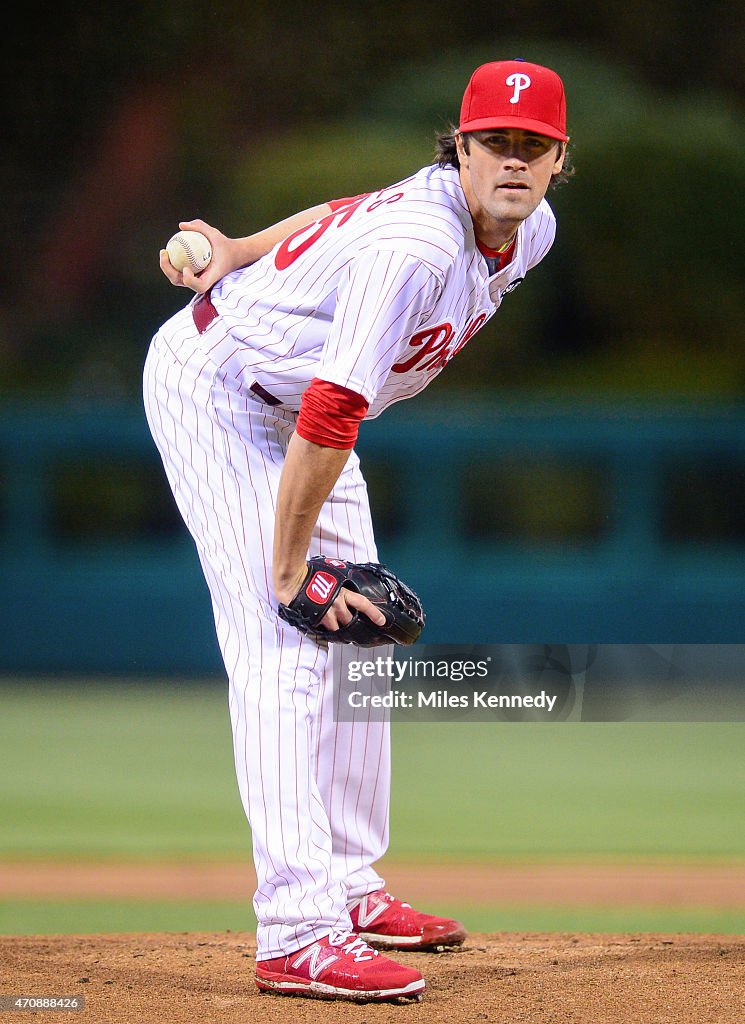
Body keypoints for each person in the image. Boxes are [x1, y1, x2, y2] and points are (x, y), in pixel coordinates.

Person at [144, 58, 571, 1003]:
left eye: (530, 146)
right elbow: (332, 412)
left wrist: (242, 244)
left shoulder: (527, 230)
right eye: (493, 143)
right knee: (286, 638)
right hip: (225, 392)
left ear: (555, 162)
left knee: (360, 636)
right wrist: (291, 570)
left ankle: (347, 883)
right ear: (458, 149)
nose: (511, 160)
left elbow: (335, 213)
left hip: (302, 411)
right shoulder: (418, 247)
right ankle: (296, 931)